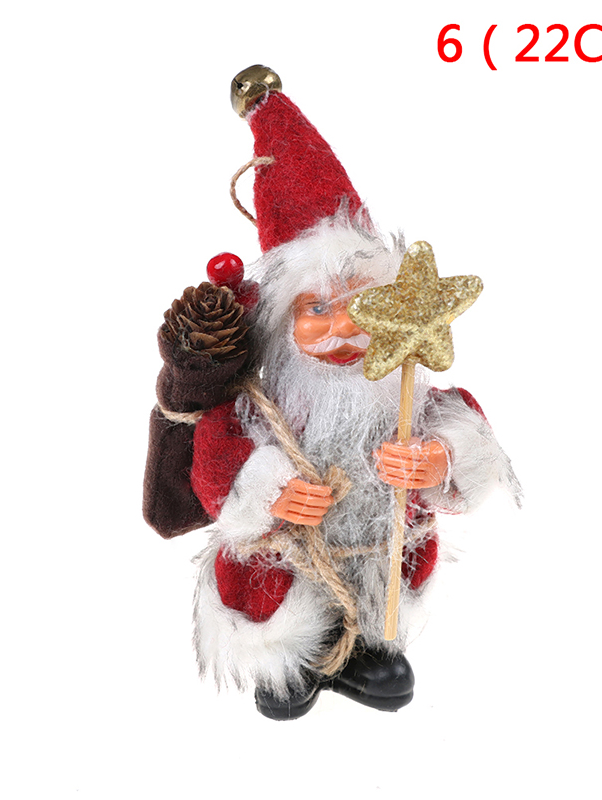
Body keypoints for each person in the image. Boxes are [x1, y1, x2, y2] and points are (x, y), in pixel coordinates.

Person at [151, 67, 520, 719]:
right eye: (317, 309)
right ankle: (290, 662)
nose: (344, 328)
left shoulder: (402, 388)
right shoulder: (259, 402)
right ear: (280, 322)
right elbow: (216, 463)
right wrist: (268, 489)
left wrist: (441, 458)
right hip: (285, 571)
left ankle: (365, 650)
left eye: (360, 304)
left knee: (386, 601)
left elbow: (465, 428)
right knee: (272, 597)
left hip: (376, 564)